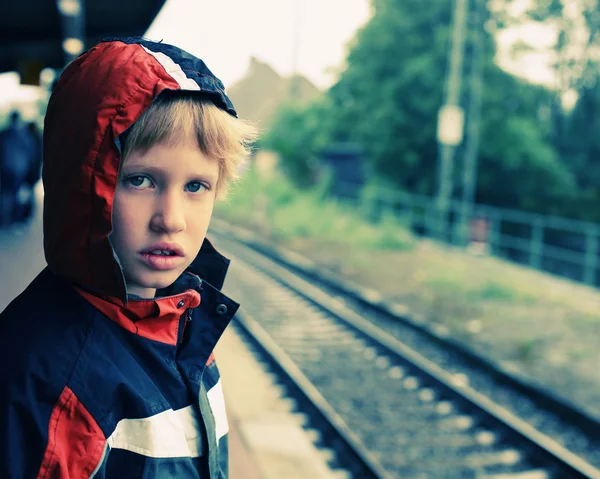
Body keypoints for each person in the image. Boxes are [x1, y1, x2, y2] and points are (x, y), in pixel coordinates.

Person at [0, 37, 256, 478]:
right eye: (140, 180)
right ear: (83, 182)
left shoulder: (183, 318)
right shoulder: (50, 383)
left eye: (196, 187)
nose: (171, 220)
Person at [0, 111, 36, 228]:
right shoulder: (24, 135)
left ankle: (10, 218)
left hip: (11, 169)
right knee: (14, 195)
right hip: (17, 169)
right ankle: (13, 218)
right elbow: (31, 153)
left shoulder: (5, 134)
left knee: (10, 194)